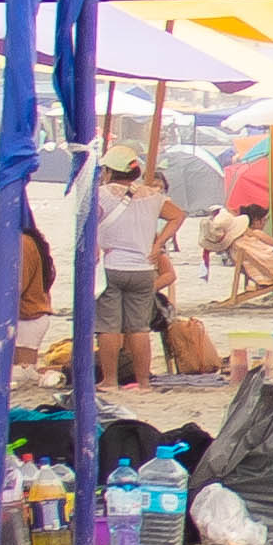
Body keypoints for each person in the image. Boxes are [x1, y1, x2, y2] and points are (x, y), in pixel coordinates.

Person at [92, 157, 168, 390]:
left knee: (109, 326)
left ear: (108, 171)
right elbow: (178, 216)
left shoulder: (101, 193)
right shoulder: (151, 195)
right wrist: (158, 245)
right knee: (139, 328)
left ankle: (110, 380)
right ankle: (144, 381)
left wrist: (96, 245)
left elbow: (88, 222)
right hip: (143, 268)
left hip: (112, 265)